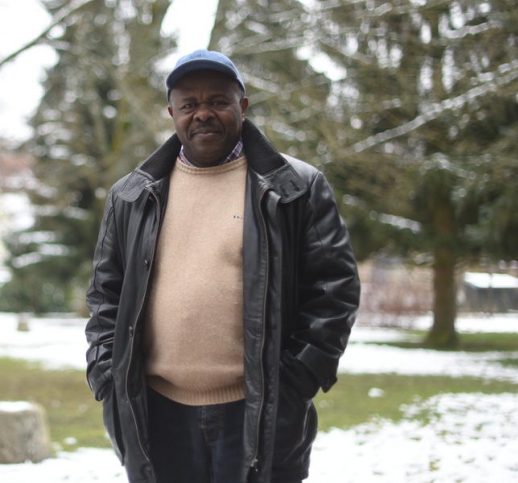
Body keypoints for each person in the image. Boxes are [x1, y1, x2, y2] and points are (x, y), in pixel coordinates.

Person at [84, 49, 360, 483]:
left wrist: (297, 379)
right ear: (172, 112)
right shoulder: (132, 196)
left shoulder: (296, 188)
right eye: (189, 104)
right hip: (156, 412)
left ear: (242, 106)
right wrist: (106, 374)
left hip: (256, 410)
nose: (203, 114)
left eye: (218, 101)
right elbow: (105, 295)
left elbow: (335, 290)